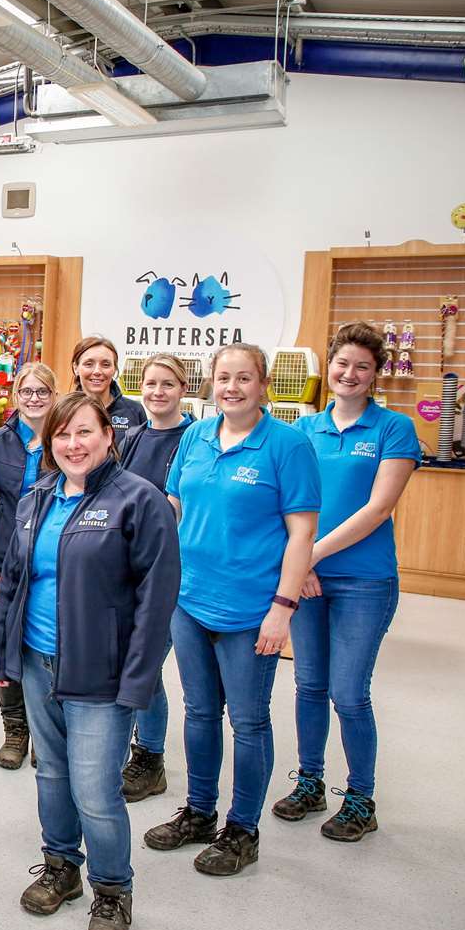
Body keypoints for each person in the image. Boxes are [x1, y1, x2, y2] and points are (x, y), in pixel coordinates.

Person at [0, 392, 180, 930]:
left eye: (84, 432)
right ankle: (61, 866)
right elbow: (16, 583)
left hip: (102, 670)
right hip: (37, 660)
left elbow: (156, 599)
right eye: (62, 435)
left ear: (109, 436)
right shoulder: (37, 498)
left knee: (95, 789)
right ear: (49, 444)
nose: (73, 444)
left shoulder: (139, 502)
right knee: (50, 774)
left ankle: (113, 890)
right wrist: (4, 655)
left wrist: (139, 679)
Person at [144, 343, 320, 877]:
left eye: (244, 378)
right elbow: (173, 506)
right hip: (190, 600)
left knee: (247, 720)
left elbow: (302, 533)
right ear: (211, 383)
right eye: (224, 378)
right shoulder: (196, 436)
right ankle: (199, 812)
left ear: (263, 384)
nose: (232, 388)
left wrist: (283, 607)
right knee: (199, 713)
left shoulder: (287, 446)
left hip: (250, 609)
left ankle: (243, 829)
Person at [273, 323, 419, 841]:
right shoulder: (304, 430)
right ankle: (310, 782)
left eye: (362, 366)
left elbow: (378, 508)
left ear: (376, 373)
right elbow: (287, 504)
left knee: (349, 693)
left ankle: (360, 798)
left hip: (364, 581)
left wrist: (308, 554)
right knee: (309, 685)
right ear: (328, 368)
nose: (349, 374)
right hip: (307, 580)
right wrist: (301, 564)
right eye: (342, 363)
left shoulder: (393, 429)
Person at [116, 354, 196, 802]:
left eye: (168, 384)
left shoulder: (193, 438)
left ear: (183, 388)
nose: (158, 392)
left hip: (166, 569)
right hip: (128, 565)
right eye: (150, 384)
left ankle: (150, 757)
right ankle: (131, 745)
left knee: (144, 663)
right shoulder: (133, 435)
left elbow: (177, 508)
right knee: (129, 659)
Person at [0, 362, 58, 770]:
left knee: (45, 643)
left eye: (43, 391)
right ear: (15, 396)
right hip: (5, 556)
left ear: (54, 396)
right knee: (7, 640)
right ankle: (15, 728)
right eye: (26, 391)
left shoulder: (64, 440)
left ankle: (46, 732)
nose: (34, 398)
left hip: (51, 557)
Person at [71, 336, 147, 435]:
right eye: (89, 364)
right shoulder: (64, 411)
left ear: (114, 369)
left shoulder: (135, 410)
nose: (97, 371)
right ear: (76, 368)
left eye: (105, 365)